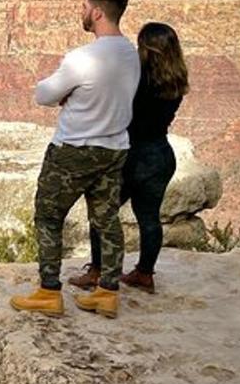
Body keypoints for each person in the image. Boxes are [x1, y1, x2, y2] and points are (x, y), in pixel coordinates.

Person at [10, 0, 140, 319]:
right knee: (107, 220)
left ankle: (49, 292)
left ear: (97, 12)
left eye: (84, 7)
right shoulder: (130, 53)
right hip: (114, 150)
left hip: (74, 151)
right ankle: (107, 293)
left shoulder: (83, 58)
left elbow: (43, 95)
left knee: (49, 217)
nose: (81, 13)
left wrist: (67, 95)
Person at [68, 22, 189, 294]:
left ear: (146, 48)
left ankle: (98, 271)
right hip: (160, 155)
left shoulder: (135, 79)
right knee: (149, 218)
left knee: (102, 214)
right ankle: (144, 275)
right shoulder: (176, 80)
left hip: (130, 156)